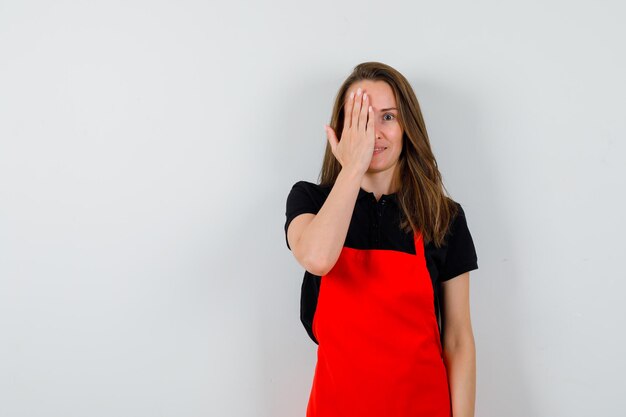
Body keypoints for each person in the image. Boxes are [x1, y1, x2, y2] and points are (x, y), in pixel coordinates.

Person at [284, 62, 479, 417]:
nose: (373, 132)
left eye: (387, 117)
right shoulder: (310, 201)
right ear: (343, 130)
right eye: (359, 119)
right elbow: (317, 257)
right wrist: (352, 168)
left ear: (408, 125)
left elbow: (458, 339)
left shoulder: (444, 217)